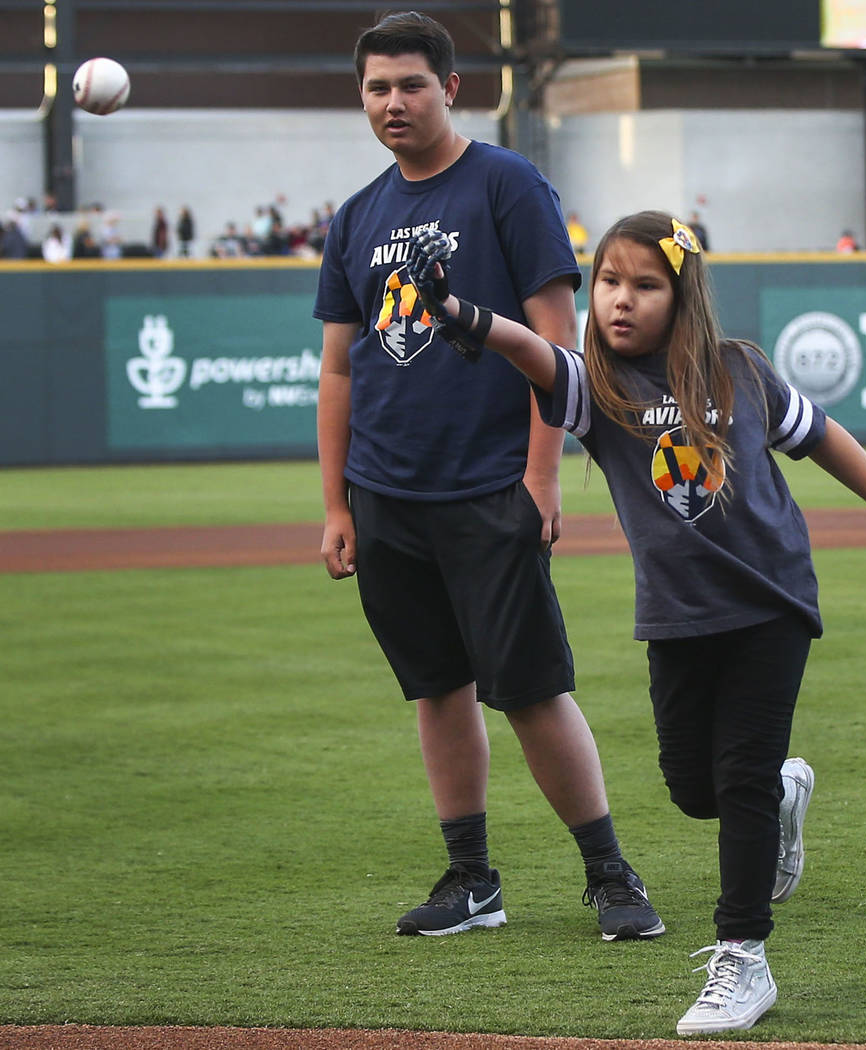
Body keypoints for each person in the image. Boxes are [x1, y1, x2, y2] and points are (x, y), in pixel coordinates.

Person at [403, 211, 866, 1032]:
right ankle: (784, 791)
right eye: (609, 281)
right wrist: (458, 310)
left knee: (740, 784)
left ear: (681, 297)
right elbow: (527, 348)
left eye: (644, 285)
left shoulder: (740, 372)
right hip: (677, 619)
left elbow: (824, 437)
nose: (621, 300)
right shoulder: (593, 389)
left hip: (770, 606)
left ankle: (743, 958)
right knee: (693, 790)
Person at [313, 11, 662, 943]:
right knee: (436, 688)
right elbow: (340, 368)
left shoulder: (507, 185)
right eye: (377, 87)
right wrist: (336, 503)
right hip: (388, 494)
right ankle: (472, 879)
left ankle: (609, 873)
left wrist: (540, 477)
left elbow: (558, 347)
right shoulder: (356, 216)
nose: (393, 102)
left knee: (531, 689)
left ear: (450, 88)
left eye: (411, 85)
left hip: (486, 486)